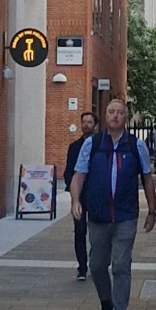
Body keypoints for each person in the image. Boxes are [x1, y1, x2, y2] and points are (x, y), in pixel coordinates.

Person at [69, 97, 156, 310]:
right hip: (97, 215)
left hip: (125, 215)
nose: (115, 116)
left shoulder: (136, 146)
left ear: (125, 118)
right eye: (111, 112)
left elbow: (147, 179)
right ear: (105, 117)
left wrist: (152, 210)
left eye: (119, 112)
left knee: (120, 265)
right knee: (97, 265)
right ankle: (106, 301)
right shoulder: (93, 145)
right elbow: (79, 176)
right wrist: (76, 200)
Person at [62, 110, 97, 280]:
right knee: (80, 230)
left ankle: (96, 261)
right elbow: (69, 171)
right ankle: (82, 267)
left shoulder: (101, 146)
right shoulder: (74, 147)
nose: (86, 125)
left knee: (98, 231)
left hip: (97, 195)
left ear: (95, 125)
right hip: (80, 195)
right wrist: (73, 193)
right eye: (84, 122)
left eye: (89, 122)